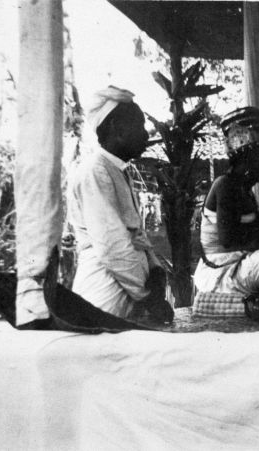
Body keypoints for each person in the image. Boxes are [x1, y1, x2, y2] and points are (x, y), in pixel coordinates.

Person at [67, 86, 171, 323]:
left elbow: (137, 235)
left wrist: (154, 269)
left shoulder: (115, 170)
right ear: (117, 128)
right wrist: (148, 297)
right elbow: (112, 245)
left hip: (125, 297)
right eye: (139, 126)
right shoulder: (95, 171)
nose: (146, 135)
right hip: (105, 298)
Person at [193, 107, 259, 296]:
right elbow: (229, 240)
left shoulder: (244, 190)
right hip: (220, 273)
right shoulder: (225, 185)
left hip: (236, 267)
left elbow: (251, 225)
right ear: (248, 157)